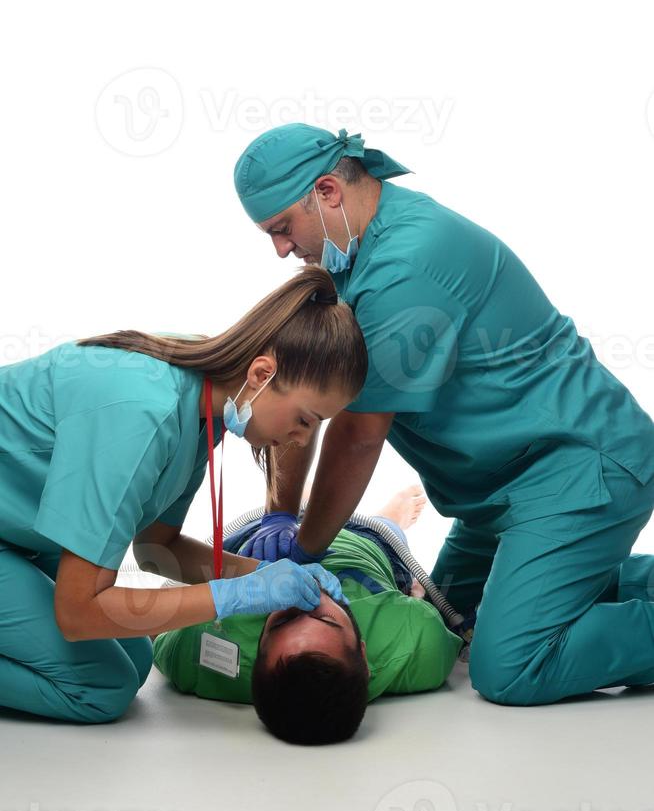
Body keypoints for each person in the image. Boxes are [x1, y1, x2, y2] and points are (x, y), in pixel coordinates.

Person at [233, 122, 654, 707]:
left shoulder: (406, 265)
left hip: (581, 470)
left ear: (328, 192)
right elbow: (304, 400)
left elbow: (357, 434)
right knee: (444, 620)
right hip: (497, 494)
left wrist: (306, 547)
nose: (280, 249)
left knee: (508, 666)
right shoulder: (346, 257)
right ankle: (575, 581)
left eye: (282, 229)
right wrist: (280, 519)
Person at [0, 267, 366, 723]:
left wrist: (268, 573)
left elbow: (158, 548)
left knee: (133, 660)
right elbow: (77, 612)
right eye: (306, 420)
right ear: (262, 374)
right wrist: (234, 595)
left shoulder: (203, 400)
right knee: (101, 687)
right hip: (17, 536)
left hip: (19, 533)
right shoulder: (143, 412)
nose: (298, 439)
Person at [152, 485, 462, 745]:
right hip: (359, 539)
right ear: (364, 653)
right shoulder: (415, 642)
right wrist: (418, 598)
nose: (304, 600)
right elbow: (433, 622)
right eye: (325, 618)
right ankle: (390, 518)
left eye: (285, 619)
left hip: (253, 543)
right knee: (385, 532)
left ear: (255, 655)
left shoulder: (202, 652)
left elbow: (156, 630)